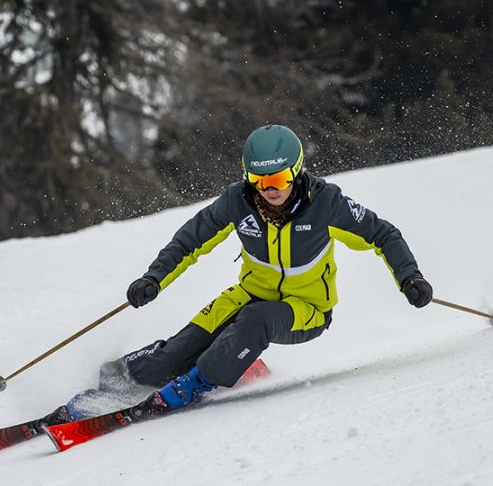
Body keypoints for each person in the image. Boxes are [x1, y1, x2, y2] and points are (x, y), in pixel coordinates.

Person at [57, 124, 433, 421]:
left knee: (253, 322)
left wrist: (409, 277)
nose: (271, 190)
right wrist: (153, 278)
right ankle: (120, 377)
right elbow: (191, 240)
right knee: (176, 352)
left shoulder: (326, 204)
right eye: (261, 181)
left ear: (296, 171)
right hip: (248, 295)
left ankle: (199, 381)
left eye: (280, 179)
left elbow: (383, 234)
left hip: (306, 309)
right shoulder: (238, 202)